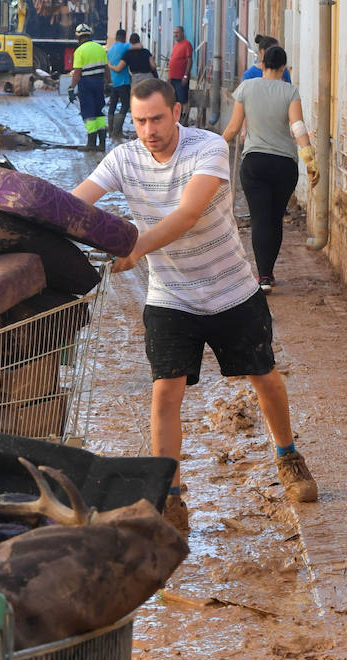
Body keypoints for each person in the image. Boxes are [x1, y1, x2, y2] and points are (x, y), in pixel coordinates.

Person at [73, 78, 318, 533]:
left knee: (264, 377)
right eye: (140, 120)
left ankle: (288, 456)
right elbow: (78, 202)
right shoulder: (123, 158)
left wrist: (135, 249)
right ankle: (169, 496)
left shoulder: (207, 149)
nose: (149, 130)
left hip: (231, 290)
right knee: (165, 392)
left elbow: (187, 215)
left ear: (177, 111)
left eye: (157, 119)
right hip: (170, 296)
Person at [223, 44, 320, 294]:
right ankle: (269, 272)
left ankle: (263, 276)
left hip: (255, 163)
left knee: (259, 219)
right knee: (275, 219)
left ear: (263, 64)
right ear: (284, 68)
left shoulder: (246, 88)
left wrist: (214, 147)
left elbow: (233, 128)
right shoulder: (290, 91)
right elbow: (297, 126)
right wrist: (309, 158)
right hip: (284, 165)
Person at [69, 23, 111, 152]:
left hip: (86, 84)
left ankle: (91, 143)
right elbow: (106, 68)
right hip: (99, 83)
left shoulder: (79, 51)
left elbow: (77, 72)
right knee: (99, 112)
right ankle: (102, 144)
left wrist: (71, 88)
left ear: (78, 36)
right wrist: (109, 83)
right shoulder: (100, 48)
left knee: (88, 113)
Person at [106, 28, 132, 141]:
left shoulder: (110, 49)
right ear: (124, 37)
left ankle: (111, 131)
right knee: (125, 105)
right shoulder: (125, 46)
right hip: (123, 81)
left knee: (112, 105)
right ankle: (117, 131)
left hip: (113, 82)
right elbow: (137, 46)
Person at [167, 25, 193, 105]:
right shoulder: (175, 45)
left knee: (182, 100)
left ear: (182, 33)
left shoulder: (186, 44)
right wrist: (169, 77)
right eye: (174, 33)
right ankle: (177, 116)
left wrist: (185, 76)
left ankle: (183, 116)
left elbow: (189, 60)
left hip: (181, 78)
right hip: (173, 78)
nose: (175, 35)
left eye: (177, 33)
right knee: (174, 99)